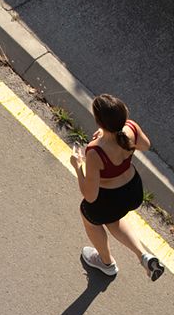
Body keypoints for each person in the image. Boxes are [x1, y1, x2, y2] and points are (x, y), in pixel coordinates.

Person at [68, 94, 166, 282]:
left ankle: (106, 263)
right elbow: (145, 145)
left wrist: (78, 167)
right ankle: (144, 256)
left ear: (99, 121)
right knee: (114, 220)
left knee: (89, 217)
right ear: (124, 113)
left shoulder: (95, 151)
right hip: (133, 191)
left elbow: (89, 196)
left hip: (108, 199)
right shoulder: (131, 128)